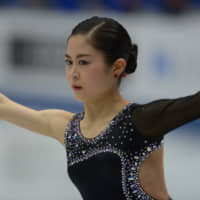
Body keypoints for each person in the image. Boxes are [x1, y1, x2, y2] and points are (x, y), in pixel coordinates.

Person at [0, 16, 199, 200]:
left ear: (117, 67)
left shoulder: (140, 121)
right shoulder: (68, 129)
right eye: (69, 62)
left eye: (84, 62)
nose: (73, 73)